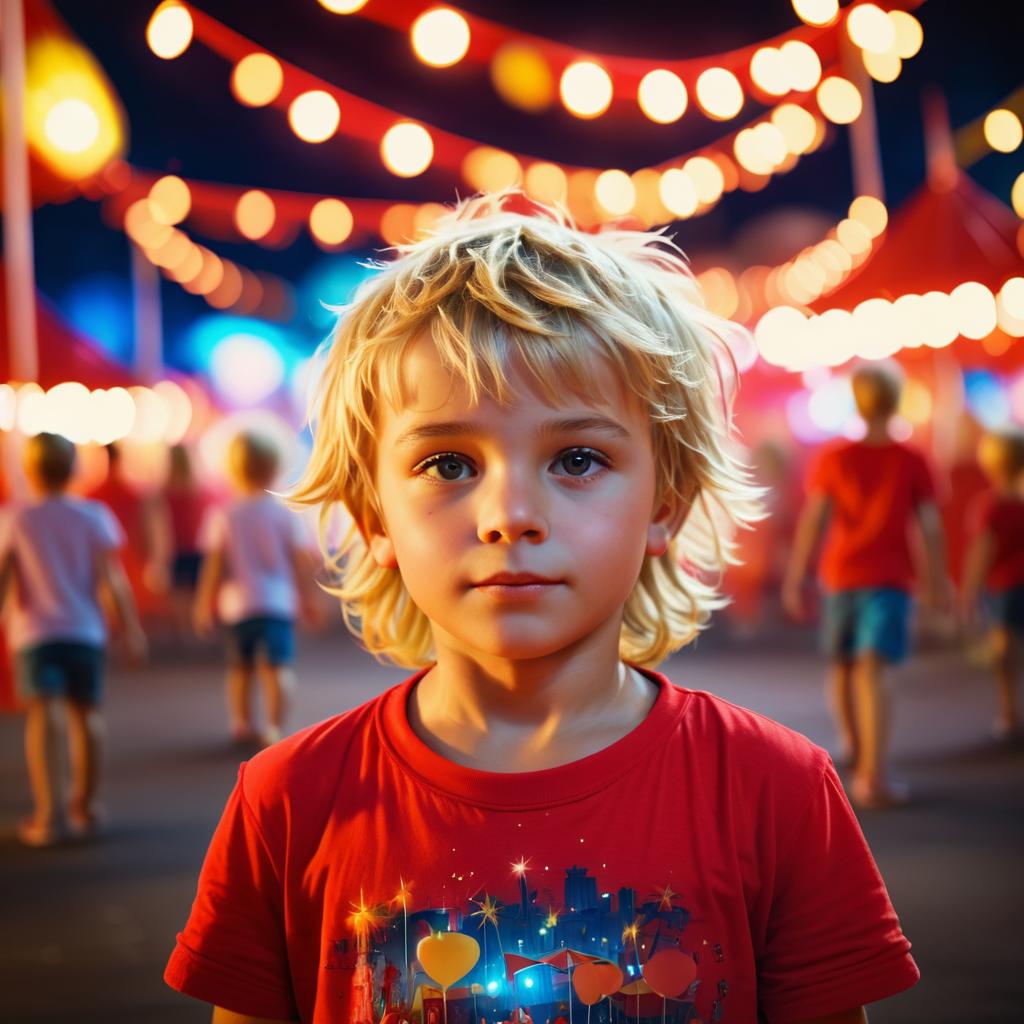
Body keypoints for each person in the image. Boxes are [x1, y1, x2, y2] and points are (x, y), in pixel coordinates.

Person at [166, 195, 920, 1024]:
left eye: (578, 457)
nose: (509, 513)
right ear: (373, 514)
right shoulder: (288, 803)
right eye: (449, 463)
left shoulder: (777, 792)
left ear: (665, 502)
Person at [782, 362, 949, 809]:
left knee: (842, 664)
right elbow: (930, 527)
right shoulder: (913, 459)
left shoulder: (835, 458)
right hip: (889, 579)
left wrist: (797, 576)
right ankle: (873, 775)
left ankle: (854, 747)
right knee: (873, 667)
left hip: (840, 575)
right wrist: (937, 583)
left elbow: (814, 519)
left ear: (856, 401)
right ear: (897, 400)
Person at [0, 432, 146, 847]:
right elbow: (112, 578)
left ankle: (50, 815)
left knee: (44, 718)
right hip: (85, 631)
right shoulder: (94, 515)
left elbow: (4, 577)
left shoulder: (15, 517)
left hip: (34, 634)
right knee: (88, 716)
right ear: (75, 468)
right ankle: (88, 805)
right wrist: (131, 628)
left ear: (29, 469)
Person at [193, 432, 320, 747]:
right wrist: (309, 599)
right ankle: (275, 726)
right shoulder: (285, 513)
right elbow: (299, 561)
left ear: (234, 470)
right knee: (278, 667)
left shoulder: (224, 514)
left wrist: (202, 604)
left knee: (240, 668)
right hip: (277, 603)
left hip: (238, 606)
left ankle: (241, 722)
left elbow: (214, 565)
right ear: (275, 468)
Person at [960, 428, 1024, 740]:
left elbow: (982, 551)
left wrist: (969, 591)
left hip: (1003, 589)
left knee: (1004, 654)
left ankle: (1009, 714)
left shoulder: (990, 505)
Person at [144, 443, 210, 640]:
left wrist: (158, 558)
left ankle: (183, 635)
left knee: (178, 596)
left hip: (175, 550)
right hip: (197, 547)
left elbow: (159, 529)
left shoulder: (162, 493)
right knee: (194, 594)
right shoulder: (200, 490)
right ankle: (195, 631)